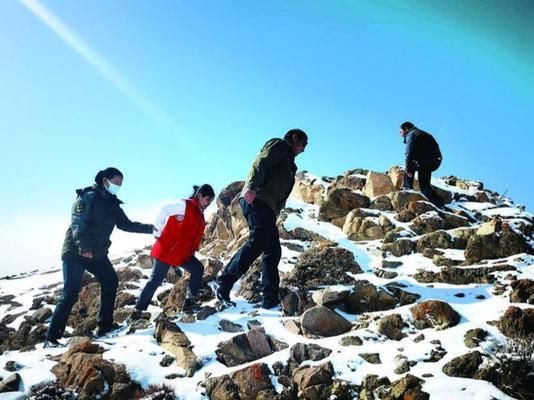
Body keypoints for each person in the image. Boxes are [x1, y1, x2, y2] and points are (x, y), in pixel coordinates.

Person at [45, 168, 154, 347]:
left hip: (96, 253)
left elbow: (126, 224)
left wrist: (151, 228)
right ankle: (51, 338)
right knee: (71, 292)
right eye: (116, 182)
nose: (118, 186)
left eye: (120, 184)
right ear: (105, 180)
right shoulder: (88, 197)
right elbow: (77, 222)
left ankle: (105, 327)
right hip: (75, 252)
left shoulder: (113, 204)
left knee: (110, 280)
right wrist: (84, 246)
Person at [216, 129, 308, 309]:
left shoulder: (290, 165)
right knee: (258, 240)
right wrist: (251, 186)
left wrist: (275, 212)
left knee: (273, 250)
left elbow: (282, 194)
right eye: (303, 144)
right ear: (294, 138)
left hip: (267, 207)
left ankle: (270, 298)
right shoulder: (279, 145)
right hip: (256, 197)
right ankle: (225, 281)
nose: (304, 149)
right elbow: (260, 163)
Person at [130, 184, 215, 320]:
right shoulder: (184, 206)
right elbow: (165, 209)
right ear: (199, 196)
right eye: (207, 199)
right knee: (155, 280)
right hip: (167, 251)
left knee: (198, 268)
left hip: (183, 255)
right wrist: (157, 230)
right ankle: (137, 311)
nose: (209, 203)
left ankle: (190, 301)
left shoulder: (200, 214)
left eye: (211, 201)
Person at [400, 121, 443, 206]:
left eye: (401, 132)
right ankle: (440, 205)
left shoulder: (411, 134)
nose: (400, 134)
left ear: (406, 129)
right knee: (425, 188)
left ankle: (407, 188)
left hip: (426, 161)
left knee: (409, 164)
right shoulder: (422, 134)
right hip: (434, 161)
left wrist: (408, 170)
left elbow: (409, 153)